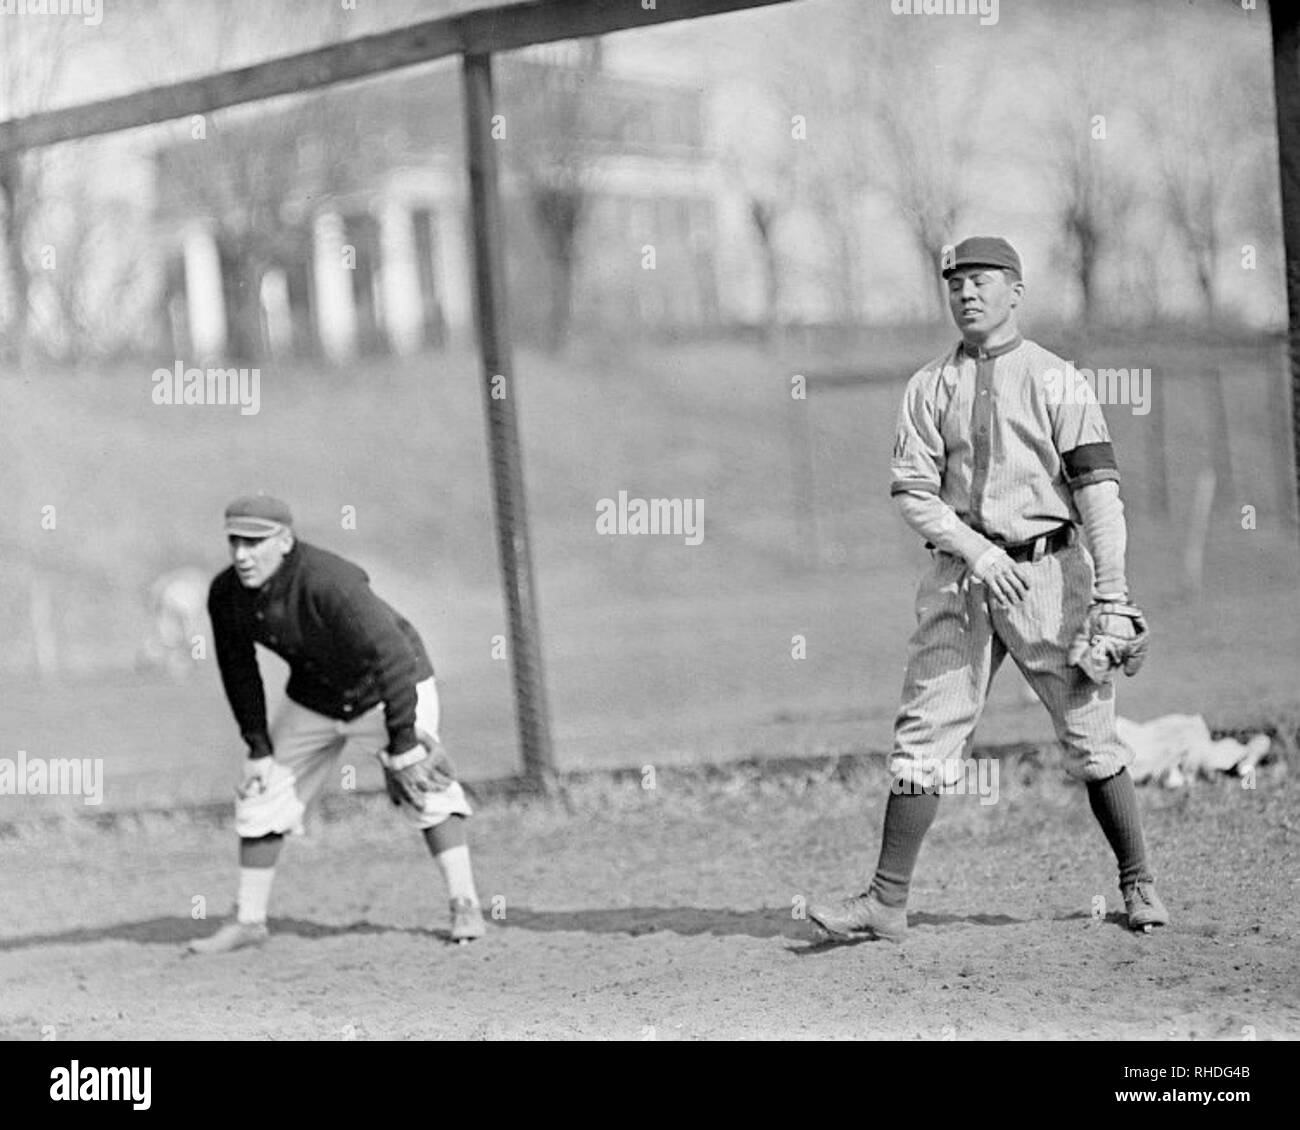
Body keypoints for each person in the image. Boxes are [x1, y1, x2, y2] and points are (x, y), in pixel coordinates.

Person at [808, 236, 1168, 941]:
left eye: (982, 280)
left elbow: (1099, 494)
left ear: (1015, 290)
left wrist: (1113, 598)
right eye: (956, 283)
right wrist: (974, 551)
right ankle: (886, 903)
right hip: (960, 578)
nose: (967, 293)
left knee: (1091, 735)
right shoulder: (927, 386)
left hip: (1047, 573)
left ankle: (1139, 883)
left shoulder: (1056, 378)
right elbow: (914, 495)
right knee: (925, 732)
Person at [189, 494, 486, 953]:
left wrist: (404, 741)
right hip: (317, 696)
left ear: (284, 540)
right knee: (263, 790)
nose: (242, 555)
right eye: (235, 542)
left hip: (388, 688)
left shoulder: (329, 580)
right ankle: (248, 922)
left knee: (423, 782)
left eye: (255, 541)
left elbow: (392, 655)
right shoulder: (226, 594)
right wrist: (258, 748)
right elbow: (238, 670)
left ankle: (465, 904)